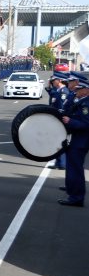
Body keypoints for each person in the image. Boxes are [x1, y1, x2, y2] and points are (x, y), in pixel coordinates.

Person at [59, 77, 89, 207]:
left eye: (79, 89)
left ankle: (77, 197)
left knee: (76, 169)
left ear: (86, 90)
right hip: (76, 139)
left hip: (81, 141)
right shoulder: (82, 101)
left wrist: (70, 121)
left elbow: (86, 124)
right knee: (72, 168)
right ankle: (72, 192)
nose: (76, 91)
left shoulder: (86, 104)